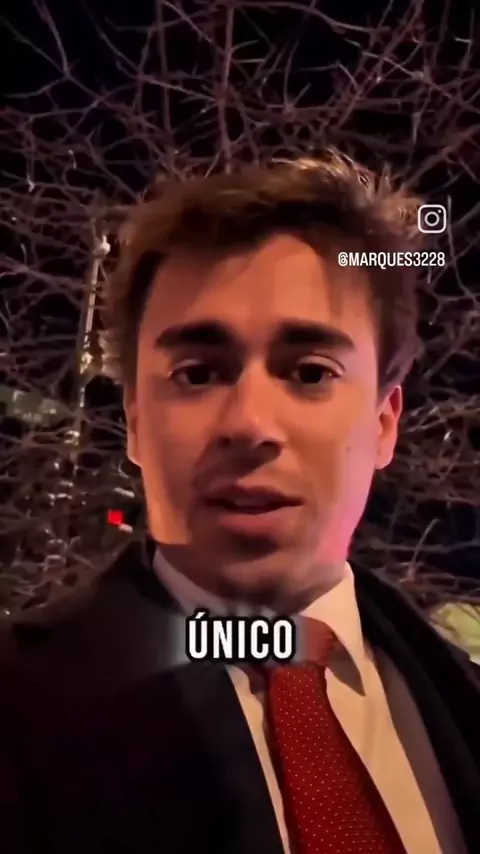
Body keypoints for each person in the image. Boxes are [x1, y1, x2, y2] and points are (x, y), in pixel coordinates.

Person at [1, 151, 480, 854]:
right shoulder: (19, 711)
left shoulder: (459, 704)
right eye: (197, 374)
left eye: (310, 372)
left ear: (384, 423)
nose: (250, 424)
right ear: (135, 421)